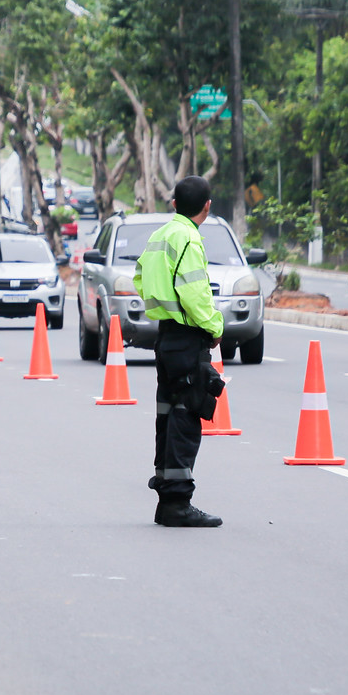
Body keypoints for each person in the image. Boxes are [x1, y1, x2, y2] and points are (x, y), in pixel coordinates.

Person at [135, 176, 225, 528]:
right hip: (187, 336)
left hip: (166, 337)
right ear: (207, 206)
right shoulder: (188, 237)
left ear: (173, 203)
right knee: (186, 417)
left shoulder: (160, 235)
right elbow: (194, 291)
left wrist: (163, 308)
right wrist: (214, 327)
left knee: (169, 416)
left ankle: (167, 498)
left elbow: (140, 277)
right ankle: (177, 503)